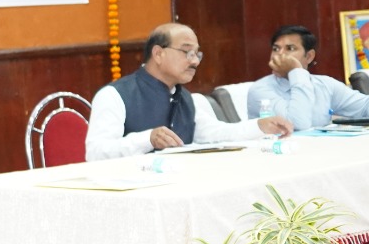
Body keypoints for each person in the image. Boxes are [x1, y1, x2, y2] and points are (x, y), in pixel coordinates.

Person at [87, 22, 292, 160]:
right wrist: (147, 139)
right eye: (187, 52)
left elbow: (213, 134)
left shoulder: (185, 97)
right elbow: (95, 153)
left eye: (197, 54)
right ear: (158, 54)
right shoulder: (115, 95)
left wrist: (260, 126)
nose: (194, 61)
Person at [246, 25, 369, 129]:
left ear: (309, 57)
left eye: (290, 49)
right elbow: (297, 123)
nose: (280, 55)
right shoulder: (261, 90)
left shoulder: (324, 84)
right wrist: (296, 71)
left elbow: (363, 105)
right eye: (276, 49)